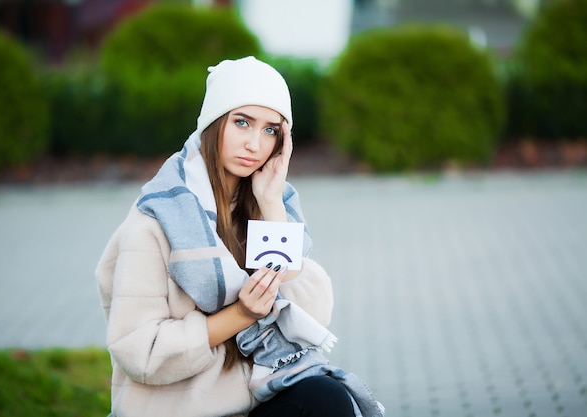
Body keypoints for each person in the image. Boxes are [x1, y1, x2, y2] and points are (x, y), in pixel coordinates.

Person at [96, 56, 384, 417]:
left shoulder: (261, 205)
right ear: (215, 123)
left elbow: (308, 313)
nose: (254, 144)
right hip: (177, 408)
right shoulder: (157, 219)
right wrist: (242, 314)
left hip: (251, 396)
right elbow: (140, 350)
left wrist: (271, 203)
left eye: (270, 131)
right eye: (242, 122)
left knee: (326, 398)